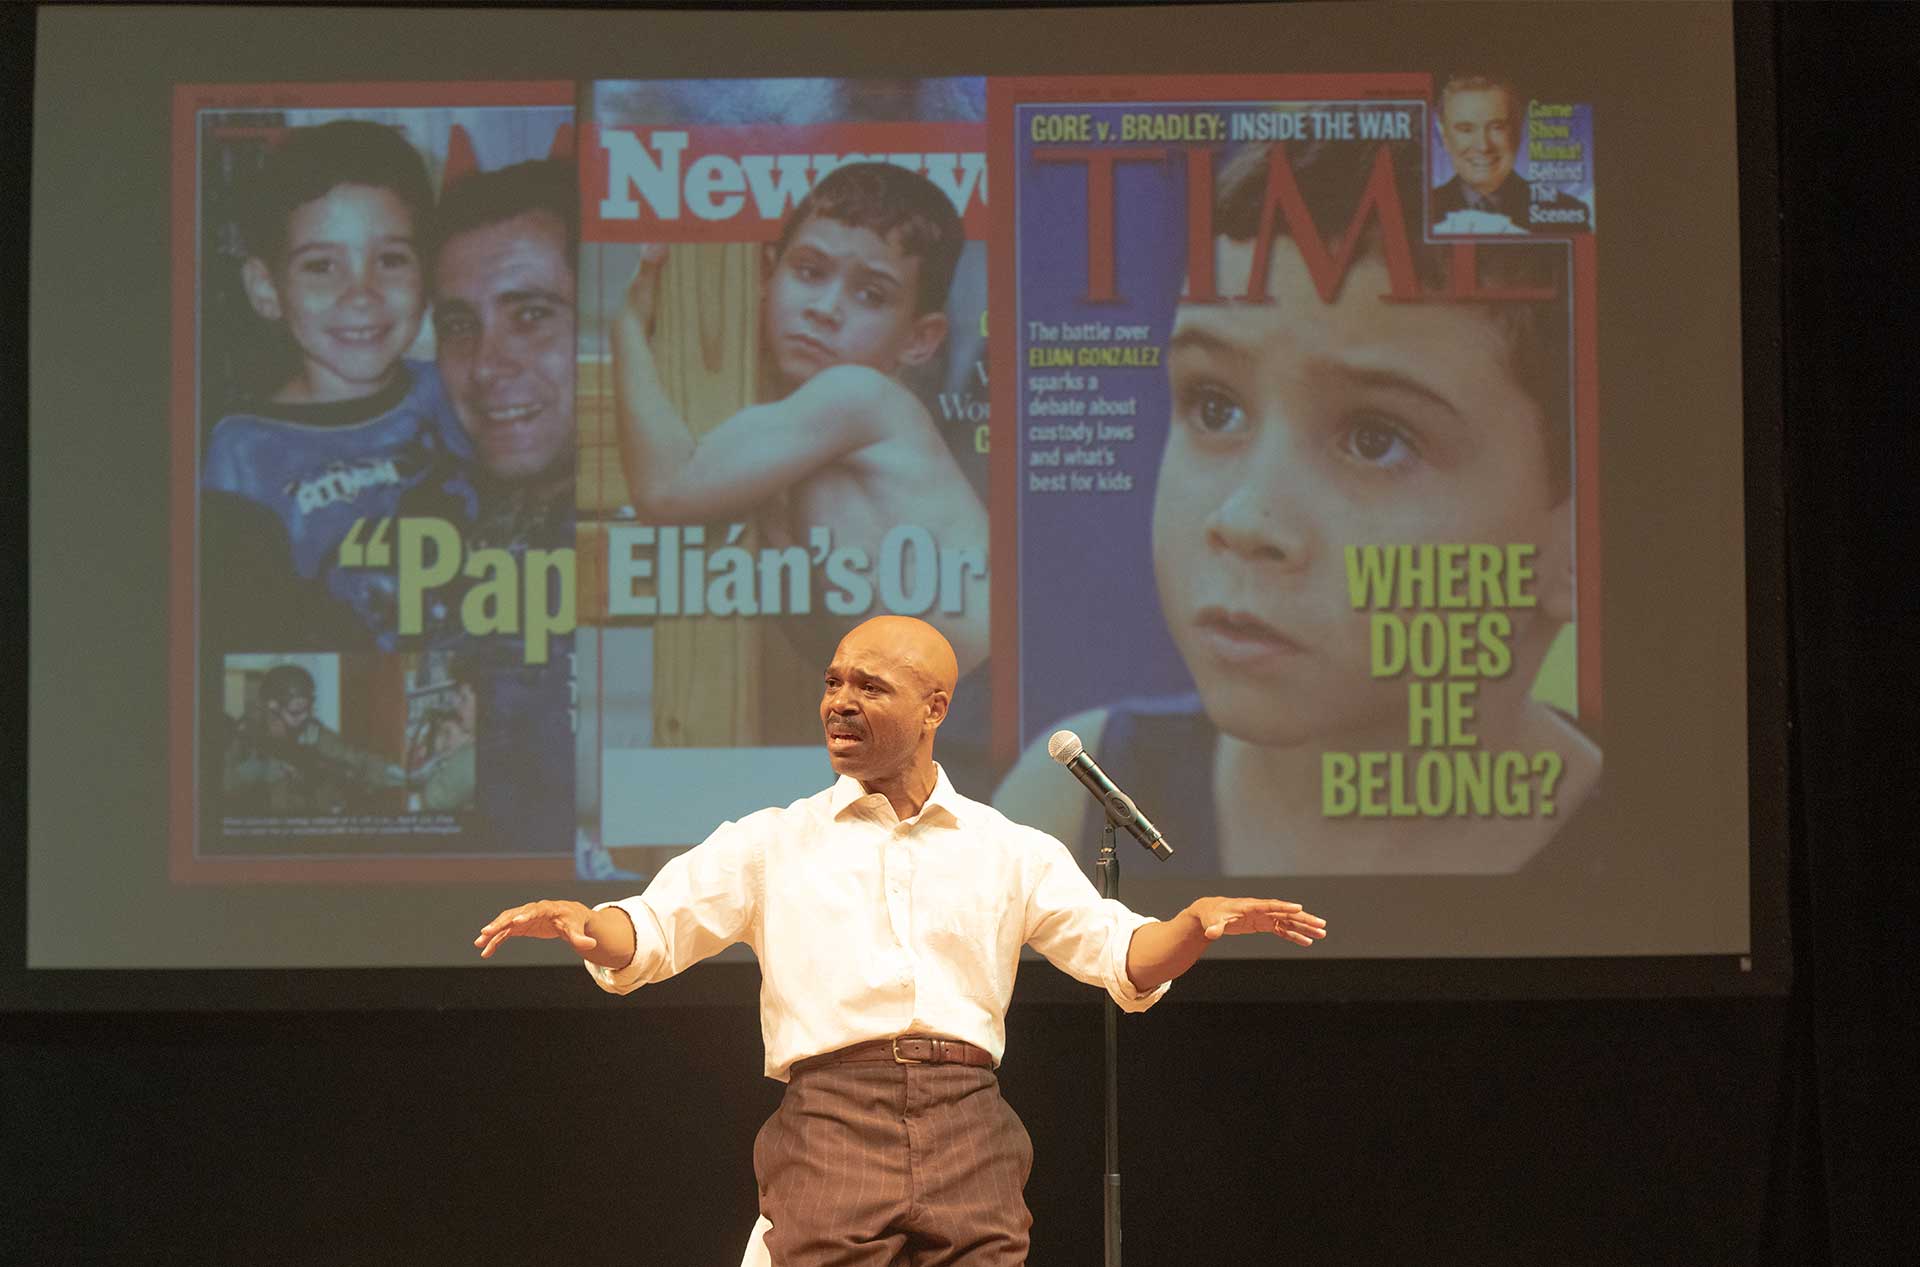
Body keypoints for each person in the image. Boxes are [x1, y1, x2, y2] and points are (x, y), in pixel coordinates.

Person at [474, 615, 1326, 1264]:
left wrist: (1192, 926)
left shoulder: (1006, 845)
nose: (840, 701)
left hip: (970, 1126)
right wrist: (596, 929)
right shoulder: (773, 839)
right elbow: (657, 926)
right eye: (834, 681)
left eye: (870, 687)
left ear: (934, 709)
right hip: (833, 1121)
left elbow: (1119, 954)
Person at [997, 137, 1602, 877]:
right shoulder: (1076, 798)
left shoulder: (1651, 848)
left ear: (1578, 543)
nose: (1245, 520)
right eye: (1213, 406)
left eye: (1377, 438)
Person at [615, 162, 991, 678]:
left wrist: (628, 325)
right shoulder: (801, 435)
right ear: (769, 275)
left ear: (919, 339)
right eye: (810, 272)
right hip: (938, 703)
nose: (825, 308)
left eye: (871, 295)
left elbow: (666, 490)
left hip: (980, 689)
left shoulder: (858, 397)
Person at [200, 120, 464, 638]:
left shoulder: (450, 389)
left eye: (390, 259)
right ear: (266, 289)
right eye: (322, 266)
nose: (361, 293)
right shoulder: (242, 452)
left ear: (427, 273)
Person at [397, 160, 578, 854]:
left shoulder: (716, 530)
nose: (486, 367)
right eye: (459, 325)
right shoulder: (404, 526)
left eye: (530, 316)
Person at [222, 663, 404, 814]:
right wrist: (259, 771)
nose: (304, 717)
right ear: (272, 707)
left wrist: (389, 771)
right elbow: (221, 786)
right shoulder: (245, 736)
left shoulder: (312, 731)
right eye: (296, 712)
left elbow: (351, 757)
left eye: (307, 709)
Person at [1429, 74, 1592, 234]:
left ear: (1518, 129)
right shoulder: (1419, 212)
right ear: (1444, 135)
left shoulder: (1565, 212)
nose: (1483, 146)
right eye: (1466, 129)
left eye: (1497, 127)